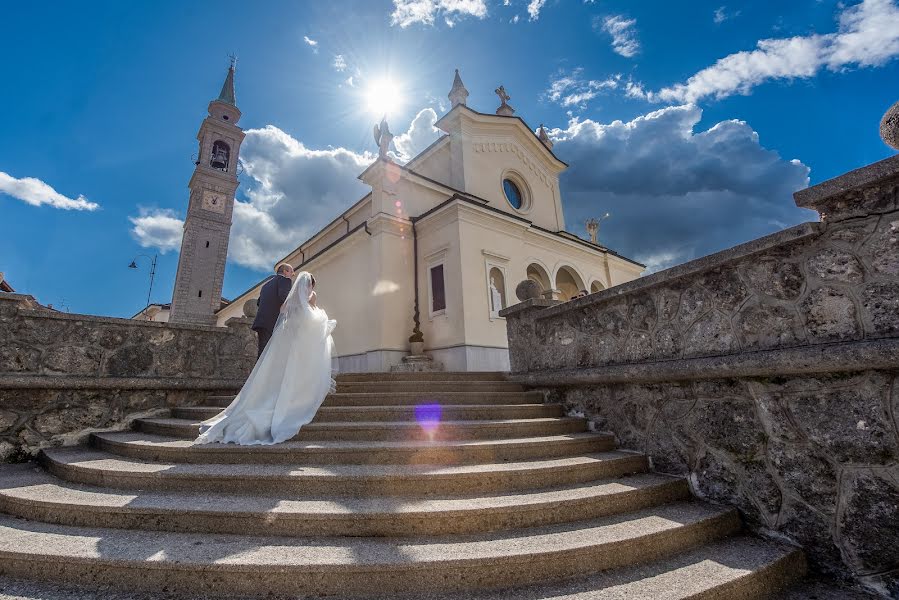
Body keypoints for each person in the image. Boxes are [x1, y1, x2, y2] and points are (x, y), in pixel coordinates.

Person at [197, 272, 337, 445]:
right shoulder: (312, 296)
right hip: (302, 339)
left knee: (282, 372)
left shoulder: (293, 296)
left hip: (290, 337)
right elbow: (312, 316)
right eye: (311, 285)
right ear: (311, 285)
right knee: (297, 371)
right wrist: (323, 318)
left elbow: (283, 310)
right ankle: (293, 404)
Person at [252, 263, 294, 358]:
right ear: (285, 271)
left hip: (261, 322)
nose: (293, 274)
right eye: (291, 272)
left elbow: (259, 302)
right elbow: (284, 297)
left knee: (262, 353)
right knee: (271, 353)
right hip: (273, 322)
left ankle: (259, 373)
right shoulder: (285, 280)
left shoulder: (266, 285)